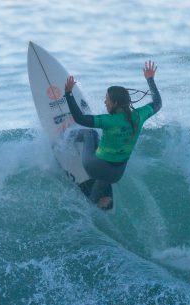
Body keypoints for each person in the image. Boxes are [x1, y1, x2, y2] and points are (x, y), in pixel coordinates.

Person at [64, 60, 162, 209]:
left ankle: (63, 139)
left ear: (115, 103)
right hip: (116, 174)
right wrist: (150, 79)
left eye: (107, 99)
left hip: (94, 167)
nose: (105, 101)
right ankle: (102, 200)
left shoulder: (108, 121)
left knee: (90, 133)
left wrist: (68, 94)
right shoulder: (139, 115)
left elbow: (80, 119)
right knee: (105, 174)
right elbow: (157, 103)